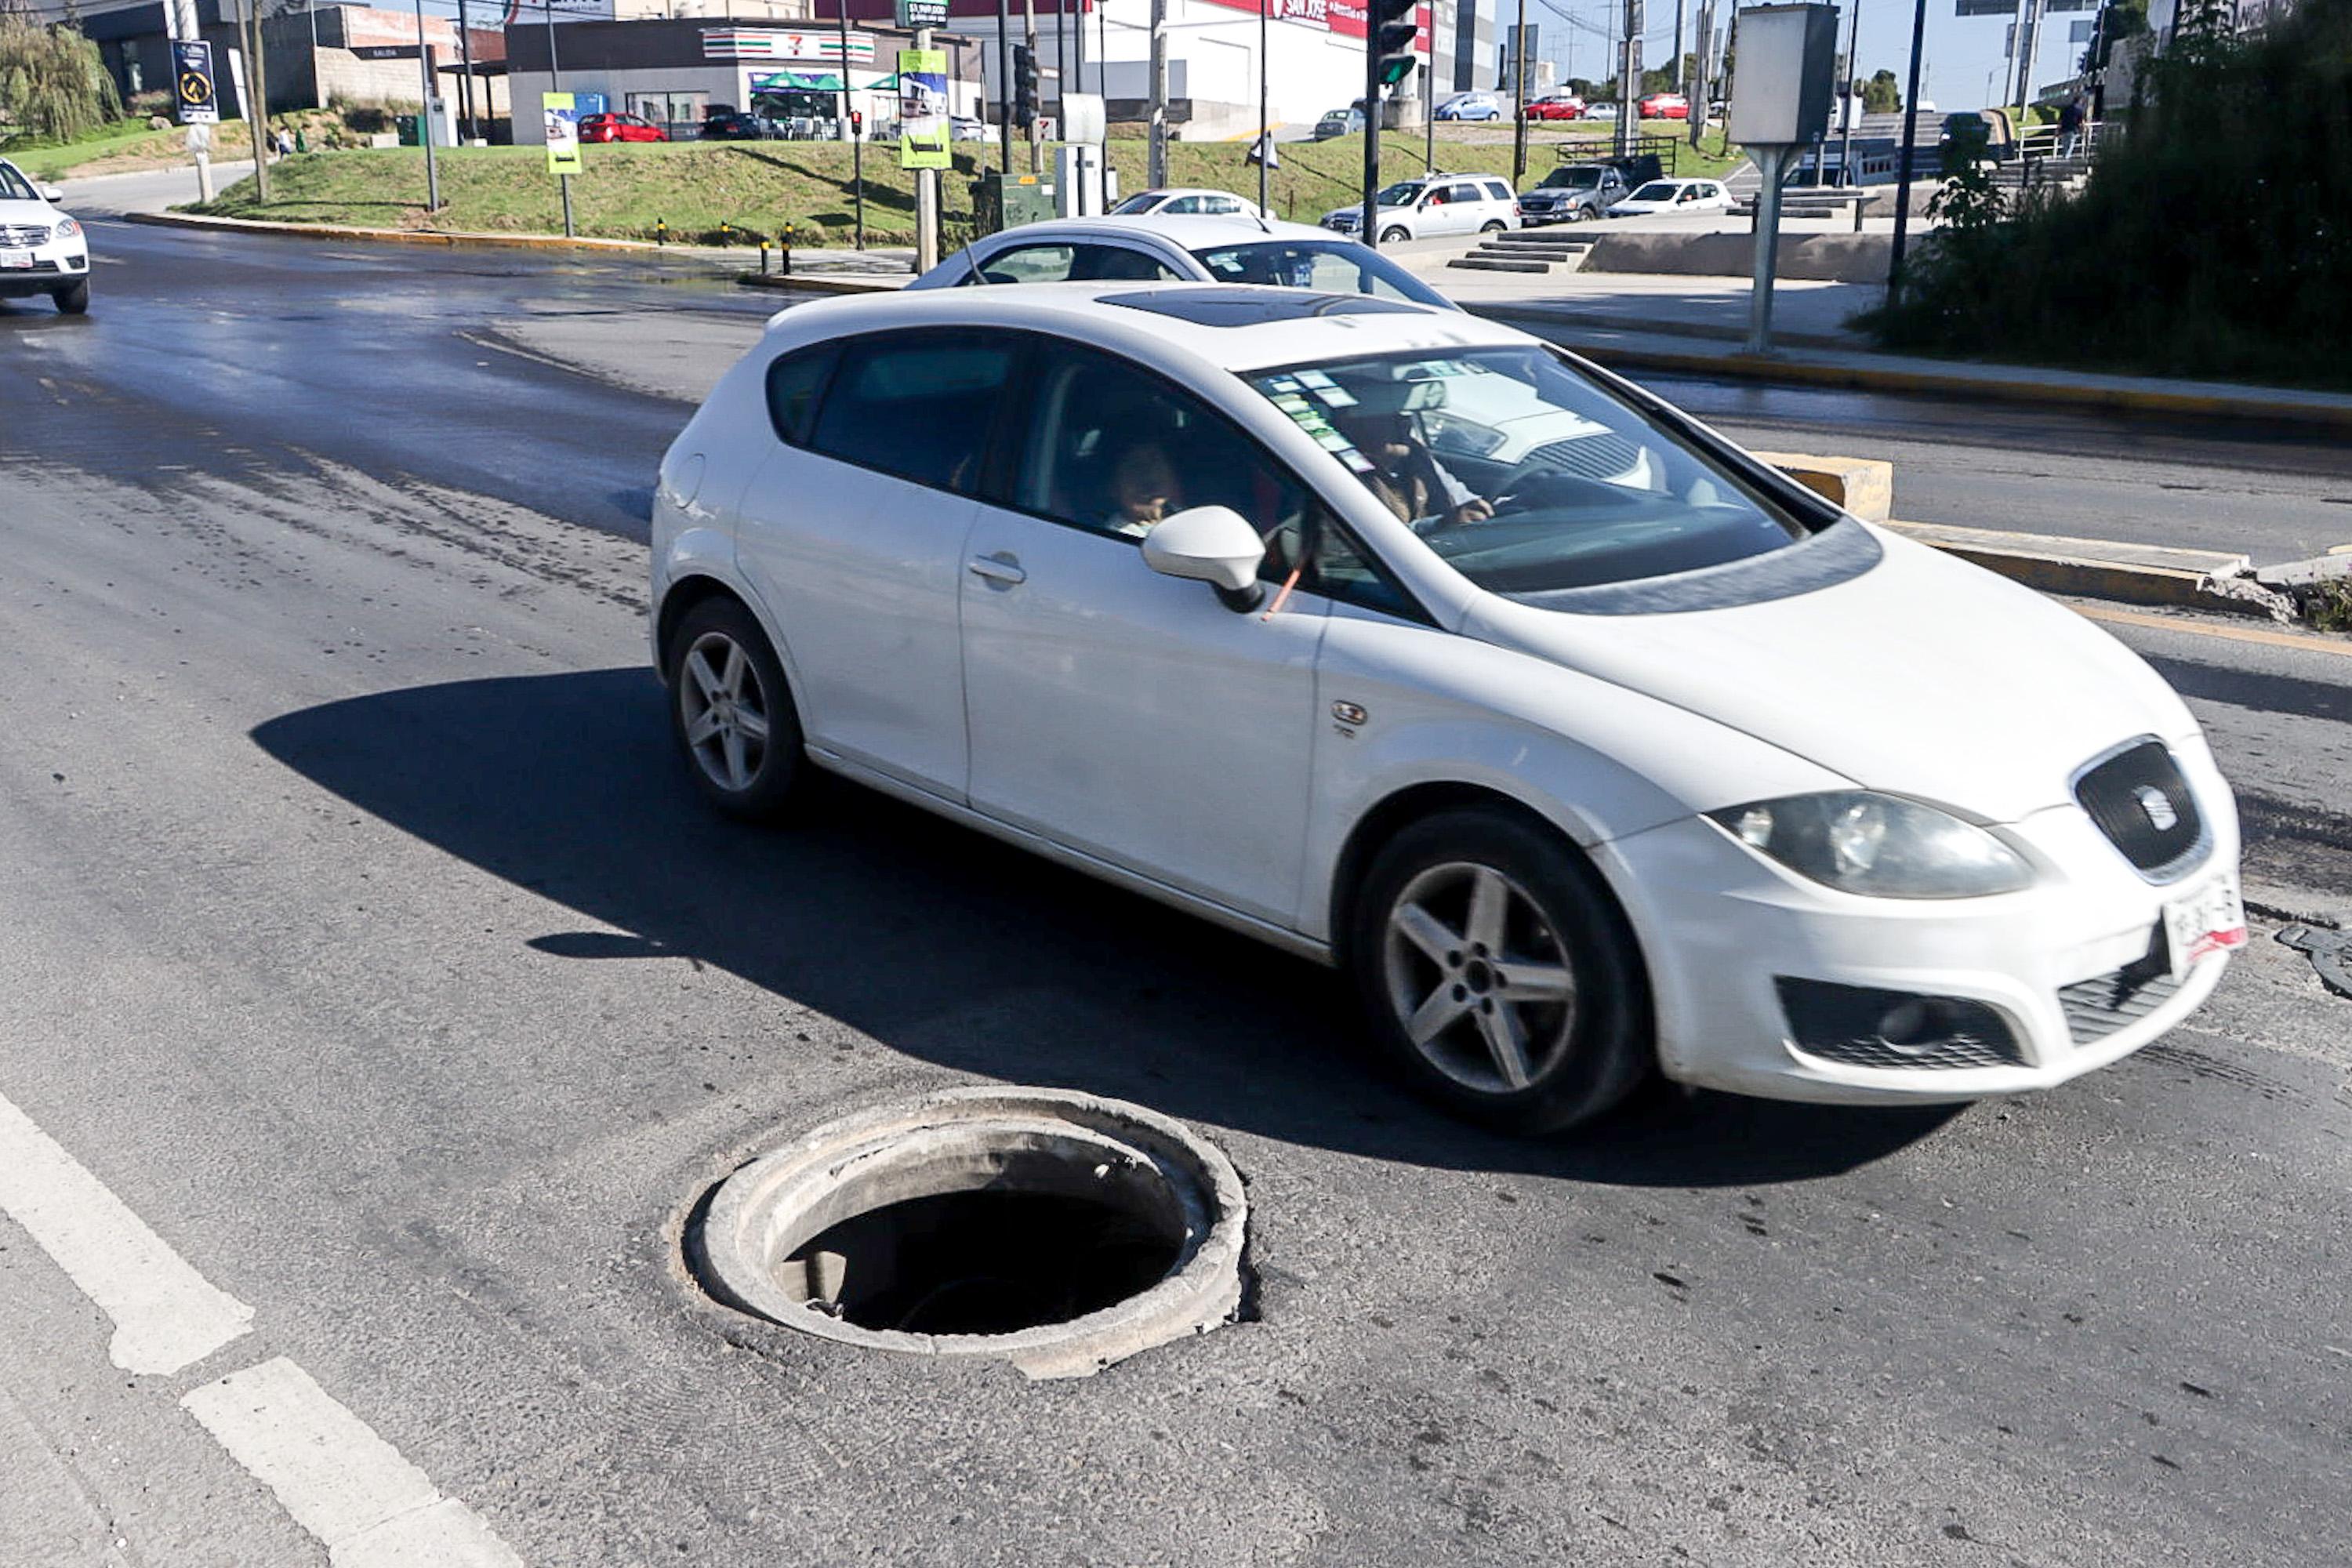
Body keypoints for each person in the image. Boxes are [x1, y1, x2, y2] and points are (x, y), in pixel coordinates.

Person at [1104, 443, 1182, 538]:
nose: (1149, 474)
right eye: (1135, 467)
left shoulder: (1187, 514)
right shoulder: (1114, 538)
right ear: (1113, 488)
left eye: (1155, 462)